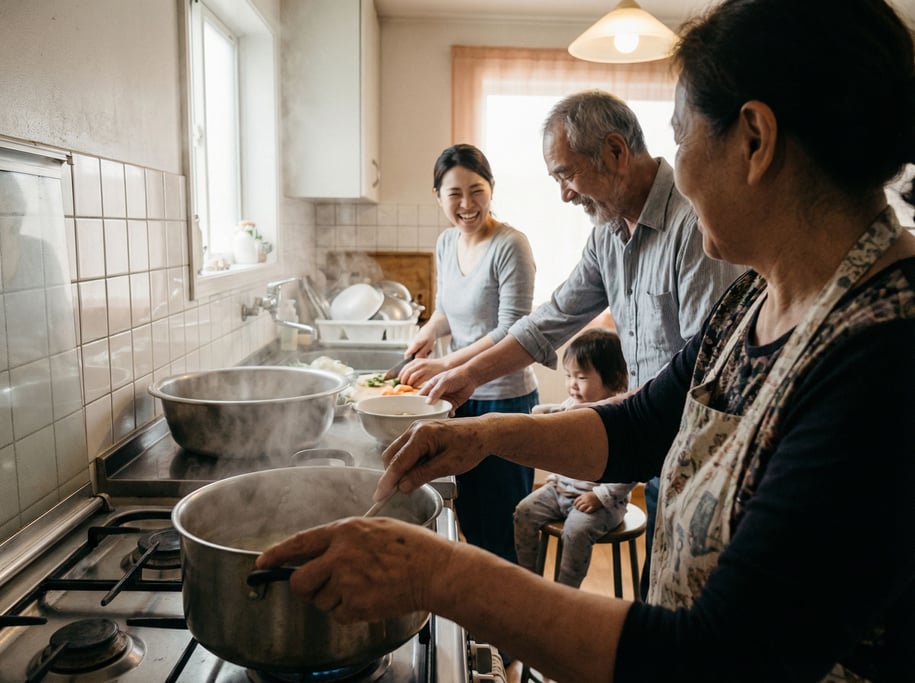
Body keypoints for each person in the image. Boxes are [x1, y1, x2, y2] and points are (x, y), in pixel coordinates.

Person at [256, 0, 915, 680]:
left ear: (753, 138)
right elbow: (640, 424)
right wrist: (484, 436)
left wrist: (437, 573)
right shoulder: (754, 299)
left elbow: (722, 656)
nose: (679, 169)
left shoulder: (885, 352)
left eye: (682, 138)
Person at [404, 89, 746, 596]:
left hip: (700, 454)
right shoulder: (608, 230)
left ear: (614, 152)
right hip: (652, 447)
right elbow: (552, 317)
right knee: (659, 593)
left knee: (686, 607)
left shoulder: (692, 225)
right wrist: (464, 376)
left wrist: (549, 420)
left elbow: (703, 373)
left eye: (566, 173)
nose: (564, 194)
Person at [398, 143, 539, 563]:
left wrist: (444, 362)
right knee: (470, 515)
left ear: (491, 188)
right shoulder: (447, 243)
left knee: (501, 527)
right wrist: (427, 333)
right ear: (438, 196)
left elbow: (511, 329)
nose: (466, 204)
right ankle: (480, 622)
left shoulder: (511, 245)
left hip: (505, 401)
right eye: (454, 193)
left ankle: (508, 622)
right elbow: (447, 309)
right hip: (458, 396)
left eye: (476, 190)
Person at [514, 328, 636, 589]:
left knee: (576, 531)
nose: (572, 384)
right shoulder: (571, 404)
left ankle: (565, 591)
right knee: (524, 512)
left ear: (613, 378)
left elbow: (631, 466)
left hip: (602, 502)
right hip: (561, 489)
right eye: (569, 376)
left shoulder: (619, 413)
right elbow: (557, 426)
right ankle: (529, 579)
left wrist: (600, 496)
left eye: (581, 377)